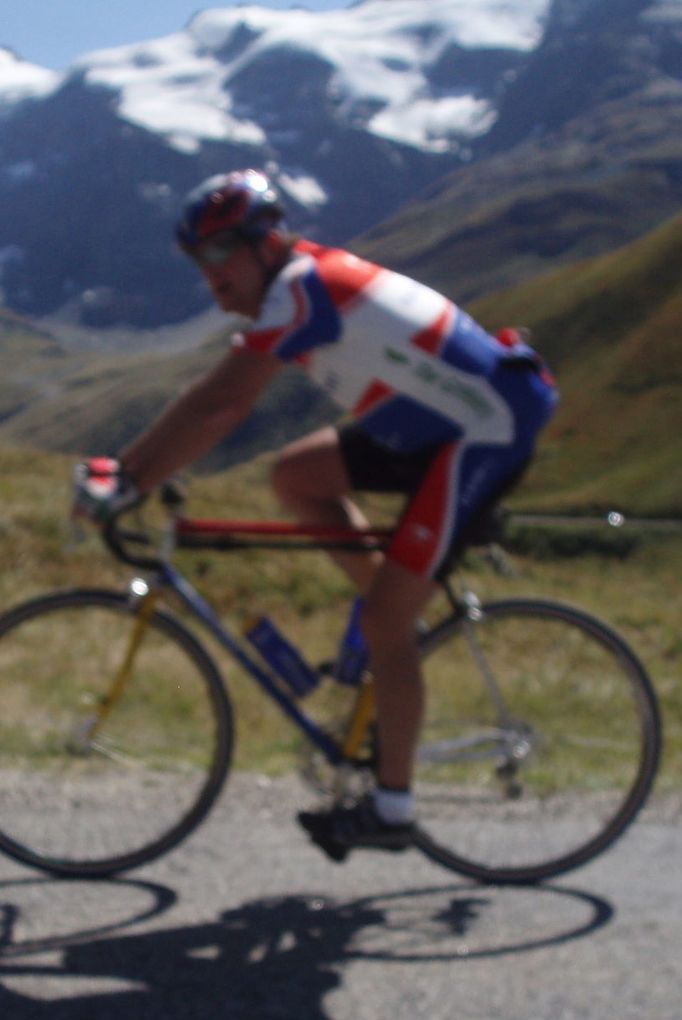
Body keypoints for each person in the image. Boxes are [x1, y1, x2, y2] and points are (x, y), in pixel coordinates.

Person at [73, 168, 558, 861]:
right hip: (430, 426)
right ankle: (398, 628)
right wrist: (131, 472)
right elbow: (214, 398)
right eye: (197, 259)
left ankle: (392, 807)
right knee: (295, 477)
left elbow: (222, 403)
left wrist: (129, 479)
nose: (211, 275)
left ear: (266, 241)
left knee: (385, 622)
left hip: (482, 432)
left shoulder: (303, 289)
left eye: (221, 251)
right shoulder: (299, 286)